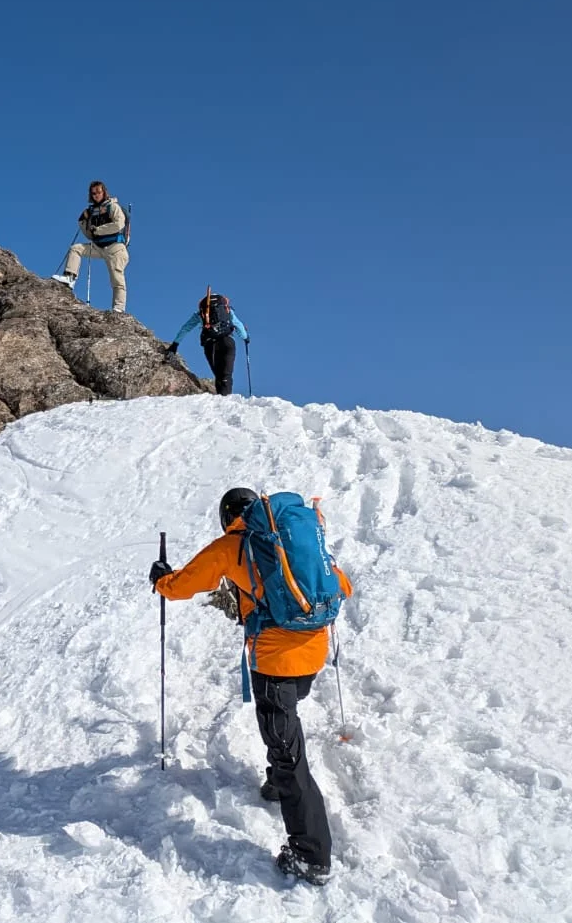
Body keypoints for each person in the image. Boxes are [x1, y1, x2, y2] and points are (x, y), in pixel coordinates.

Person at [149, 487, 354, 886]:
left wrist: (161, 580)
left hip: (275, 661)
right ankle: (277, 783)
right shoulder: (290, 537)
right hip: (312, 653)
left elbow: (182, 585)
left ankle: (312, 855)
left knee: (288, 752)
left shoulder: (233, 546)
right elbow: (340, 584)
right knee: (285, 727)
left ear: (228, 517)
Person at [50, 180, 129, 312]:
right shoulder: (92, 211)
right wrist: (82, 222)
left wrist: (98, 230)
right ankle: (70, 277)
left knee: (116, 278)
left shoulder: (113, 206)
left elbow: (119, 224)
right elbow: (90, 235)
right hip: (99, 247)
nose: (96, 195)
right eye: (93, 193)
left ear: (104, 192)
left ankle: (119, 308)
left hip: (115, 248)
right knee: (76, 248)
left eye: (98, 192)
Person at [167, 290, 248, 395]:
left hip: (211, 344)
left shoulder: (200, 313)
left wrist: (175, 344)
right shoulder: (227, 310)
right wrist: (246, 338)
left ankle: (222, 399)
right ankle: (226, 399)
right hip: (228, 341)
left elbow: (186, 328)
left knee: (219, 375)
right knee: (226, 375)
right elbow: (239, 326)